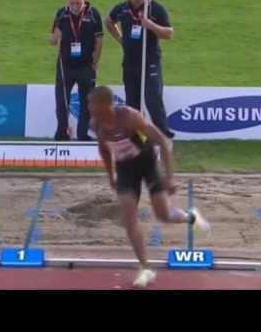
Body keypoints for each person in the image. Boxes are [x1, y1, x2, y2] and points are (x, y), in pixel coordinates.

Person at [89, 85, 211, 288]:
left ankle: (192, 217)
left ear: (104, 104)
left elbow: (164, 142)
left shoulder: (130, 117)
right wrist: (111, 175)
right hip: (125, 168)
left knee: (163, 215)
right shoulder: (95, 125)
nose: (88, 107)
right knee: (129, 216)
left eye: (91, 103)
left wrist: (170, 177)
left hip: (146, 163)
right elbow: (103, 149)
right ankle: (145, 268)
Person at [105, 0, 174, 139]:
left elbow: (169, 34)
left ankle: (163, 135)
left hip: (150, 62)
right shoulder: (122, 9)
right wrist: (121, 39)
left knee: (153, 99)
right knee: (132, 103)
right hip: (130, 63)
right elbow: (108, 21)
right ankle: (135, 137)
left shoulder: (156, 8)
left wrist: (151, 25)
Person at [50, 0, 103, 141]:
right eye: (72, 3)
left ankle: (83, 134)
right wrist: (55, 37)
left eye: (78, 3)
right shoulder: (61, 14)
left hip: (86, 66)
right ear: (68, 1)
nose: (75, 7)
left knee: (87, 103)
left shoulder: (93, 14)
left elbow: (99, 41)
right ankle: (62, 133)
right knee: (62, 102)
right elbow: (52, 41)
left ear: (83, 1)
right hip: (64, 66)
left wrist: (95, 63)